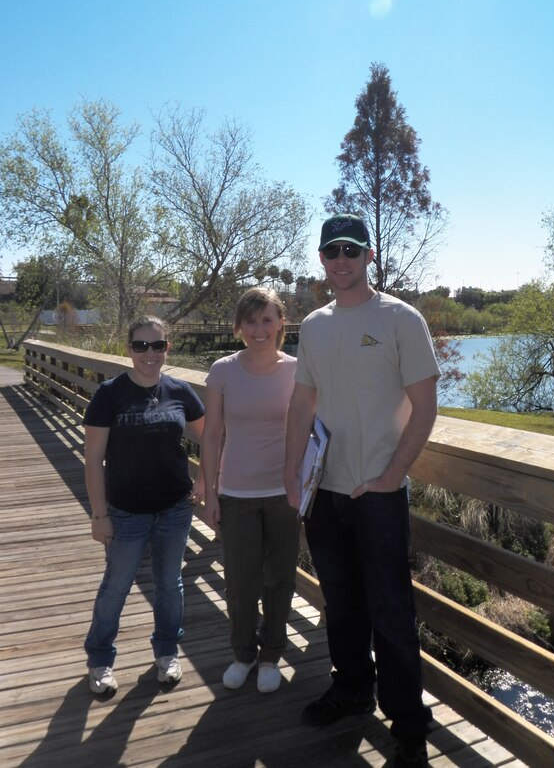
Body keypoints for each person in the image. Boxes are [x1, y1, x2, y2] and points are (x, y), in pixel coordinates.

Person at [284, 215, 440, 768]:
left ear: (369, 255)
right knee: (342, 604)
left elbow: (426, 407)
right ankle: (352, 690)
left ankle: (408, 725)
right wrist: (291, 475)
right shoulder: (315, 324)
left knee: (391, 611)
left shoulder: (401, 318)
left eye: (351, 249)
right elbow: (302, 404)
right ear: (322, 260)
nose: (341, 260)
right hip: (323, 491)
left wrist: (393, 475)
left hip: (377, 493)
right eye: (331, 252)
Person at [84, 315, 205, 695]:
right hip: (125, 511)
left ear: (167, 348)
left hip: (174, 507)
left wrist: (205, 480)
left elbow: (211, 439)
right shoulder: (110, 394)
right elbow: (93, 459)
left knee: (170, 584)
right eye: (141, 346)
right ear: (129, 349)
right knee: (116, 586)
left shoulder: (180, 391)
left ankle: (167, 652)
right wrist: (99, 514)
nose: (149, 354)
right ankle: (100, 658)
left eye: (157, 346)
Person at [202, 287, 300, 694]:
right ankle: (243, 654)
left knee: (280, 579)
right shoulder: (223, 370)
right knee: (241, 582)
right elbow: (210, 437)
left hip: (285, 493)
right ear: (239, 326)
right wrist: (210, 495)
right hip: (236, 492)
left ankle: (271, 656)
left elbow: (313, 427)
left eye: (266, 319)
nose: (258, 329)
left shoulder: (299, 369)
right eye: (250, 321)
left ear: (281, 322)